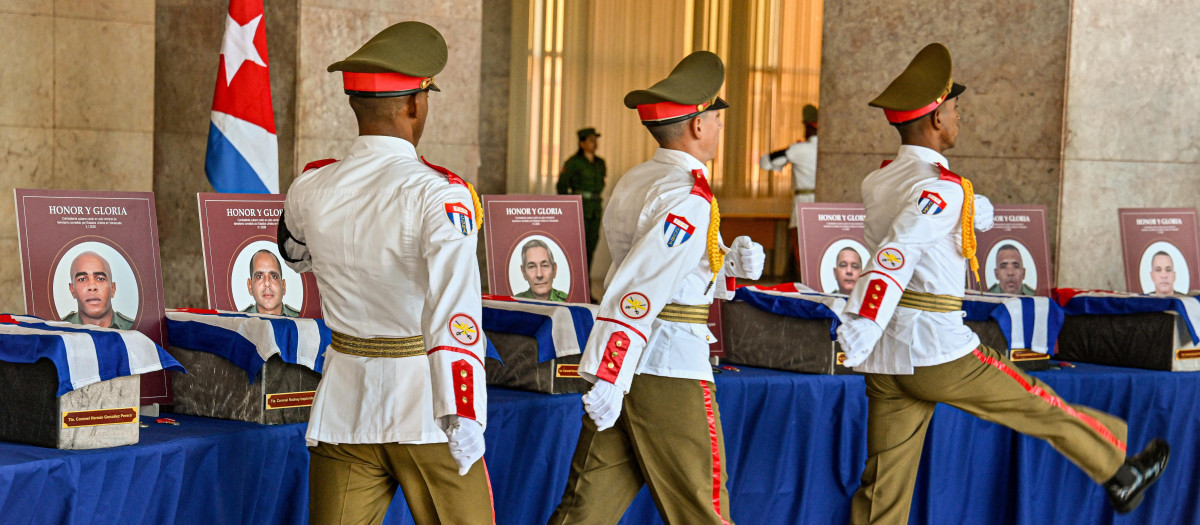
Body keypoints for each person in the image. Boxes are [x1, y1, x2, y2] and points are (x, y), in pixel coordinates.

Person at [834, 43, 1168, 523]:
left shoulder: (881, 181)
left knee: (884, 484)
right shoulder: (941, 188)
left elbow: (914, 231)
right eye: (954, 109)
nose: (959, 117)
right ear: (936, 120)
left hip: (888, 354)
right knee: (1036, 403)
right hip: (934, 348)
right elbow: (899, 250)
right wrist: (864, 316)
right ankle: (1120, 471)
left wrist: (969, 208)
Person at [276, 21, 493, 524]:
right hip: (427, 410)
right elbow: (455, 306)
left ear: (354, 103)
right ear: (415, 104)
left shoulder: (309, 187)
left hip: (344, 408)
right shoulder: (441, 194)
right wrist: (462, 411)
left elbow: (294, 254)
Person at [549, 50, 765, 525]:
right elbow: (641, 285)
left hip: (631, 360)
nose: (719, 127)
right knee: (702, 510)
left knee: (586, 509)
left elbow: (650, 267)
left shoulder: (639, 178)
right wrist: (610, 371)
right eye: (717, 119)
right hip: (669, 363)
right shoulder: (687, 195)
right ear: (698, 126)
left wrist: (729, 263)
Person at [761, 104, 818, 280]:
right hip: (827, 206)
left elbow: (765, 162)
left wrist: (788, 151)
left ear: (808, 127)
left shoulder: (799, 149)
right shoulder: (830, 147)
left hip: (803, 205)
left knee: (801, 252)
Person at [557, 127, 607, 268]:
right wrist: (569, 207)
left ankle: (586, 279)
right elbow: (561, 186)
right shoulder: (573, 162)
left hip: (595, 208)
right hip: (580, 208)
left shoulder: (600, 163)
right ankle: (577, 278)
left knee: (591, 244)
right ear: (582, 143)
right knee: (577, 246)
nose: (595, 143)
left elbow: (602, 182)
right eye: (591, 140)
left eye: (595, 140)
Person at [62, 251, 135, 329]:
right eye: (82, 279)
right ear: (72, 290)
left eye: (100, 279)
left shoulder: (136, 330)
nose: (92, 287)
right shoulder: (57, 331)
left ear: (113, 288)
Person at [241, 249, 300, 316]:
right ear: (250, 286)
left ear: (283, 286)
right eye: (259, 276)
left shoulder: (303, 319)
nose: (267, 283)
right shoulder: (237, 320)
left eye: (274, 276)